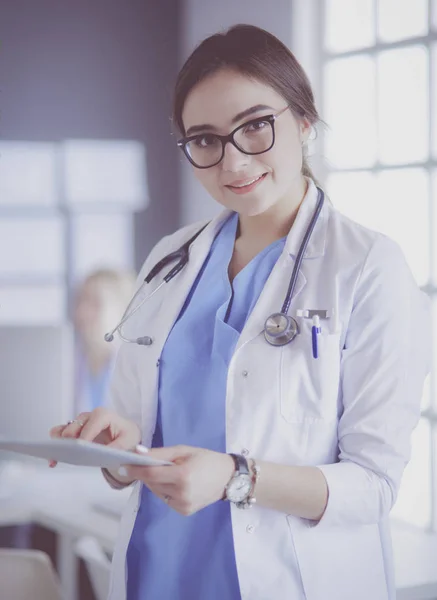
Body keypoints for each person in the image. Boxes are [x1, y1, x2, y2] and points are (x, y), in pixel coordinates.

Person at [50, 24, 431, 600]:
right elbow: (136, 435)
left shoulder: (369, 267)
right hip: (159, 575)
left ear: (304, 121)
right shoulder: (169, 260)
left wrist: (237, 478)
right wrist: (117, 449)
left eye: (255, 126)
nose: (232, 161)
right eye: (204, 139)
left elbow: (374, 484)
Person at [73, 268, 135, 413]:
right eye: (79, 302)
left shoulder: (136, 367)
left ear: (123, 310)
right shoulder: (67, 361)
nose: (81, 313)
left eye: (95, 303)